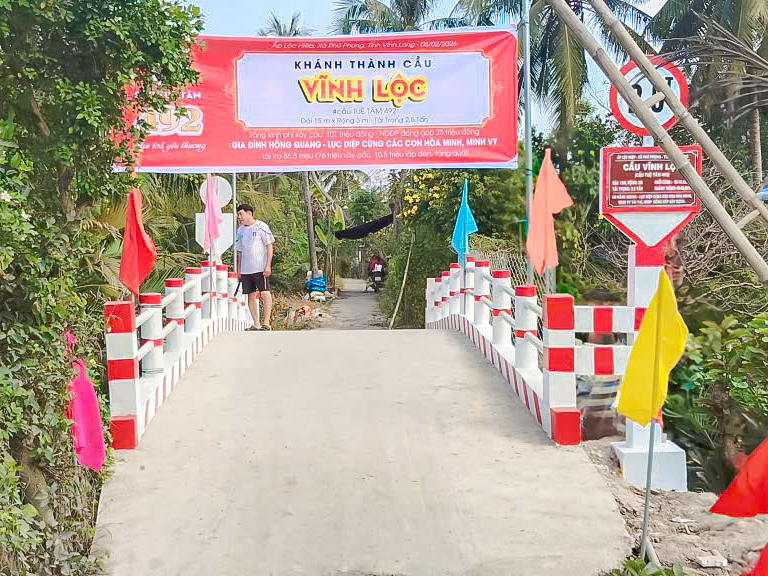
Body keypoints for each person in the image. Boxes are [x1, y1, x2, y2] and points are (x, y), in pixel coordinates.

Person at [235, 203, 275, 331]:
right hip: (246, 269)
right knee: (250, 295)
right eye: (238, 214)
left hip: (260, 267)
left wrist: (268, 265)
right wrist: (239, 270)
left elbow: (269, 246)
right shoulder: (240, 230)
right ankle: (256, 323)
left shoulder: (261, 226)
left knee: (264, 292)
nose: (239, 217)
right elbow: (240, 252)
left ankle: (266, 323)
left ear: (249, 213)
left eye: (240, 214)